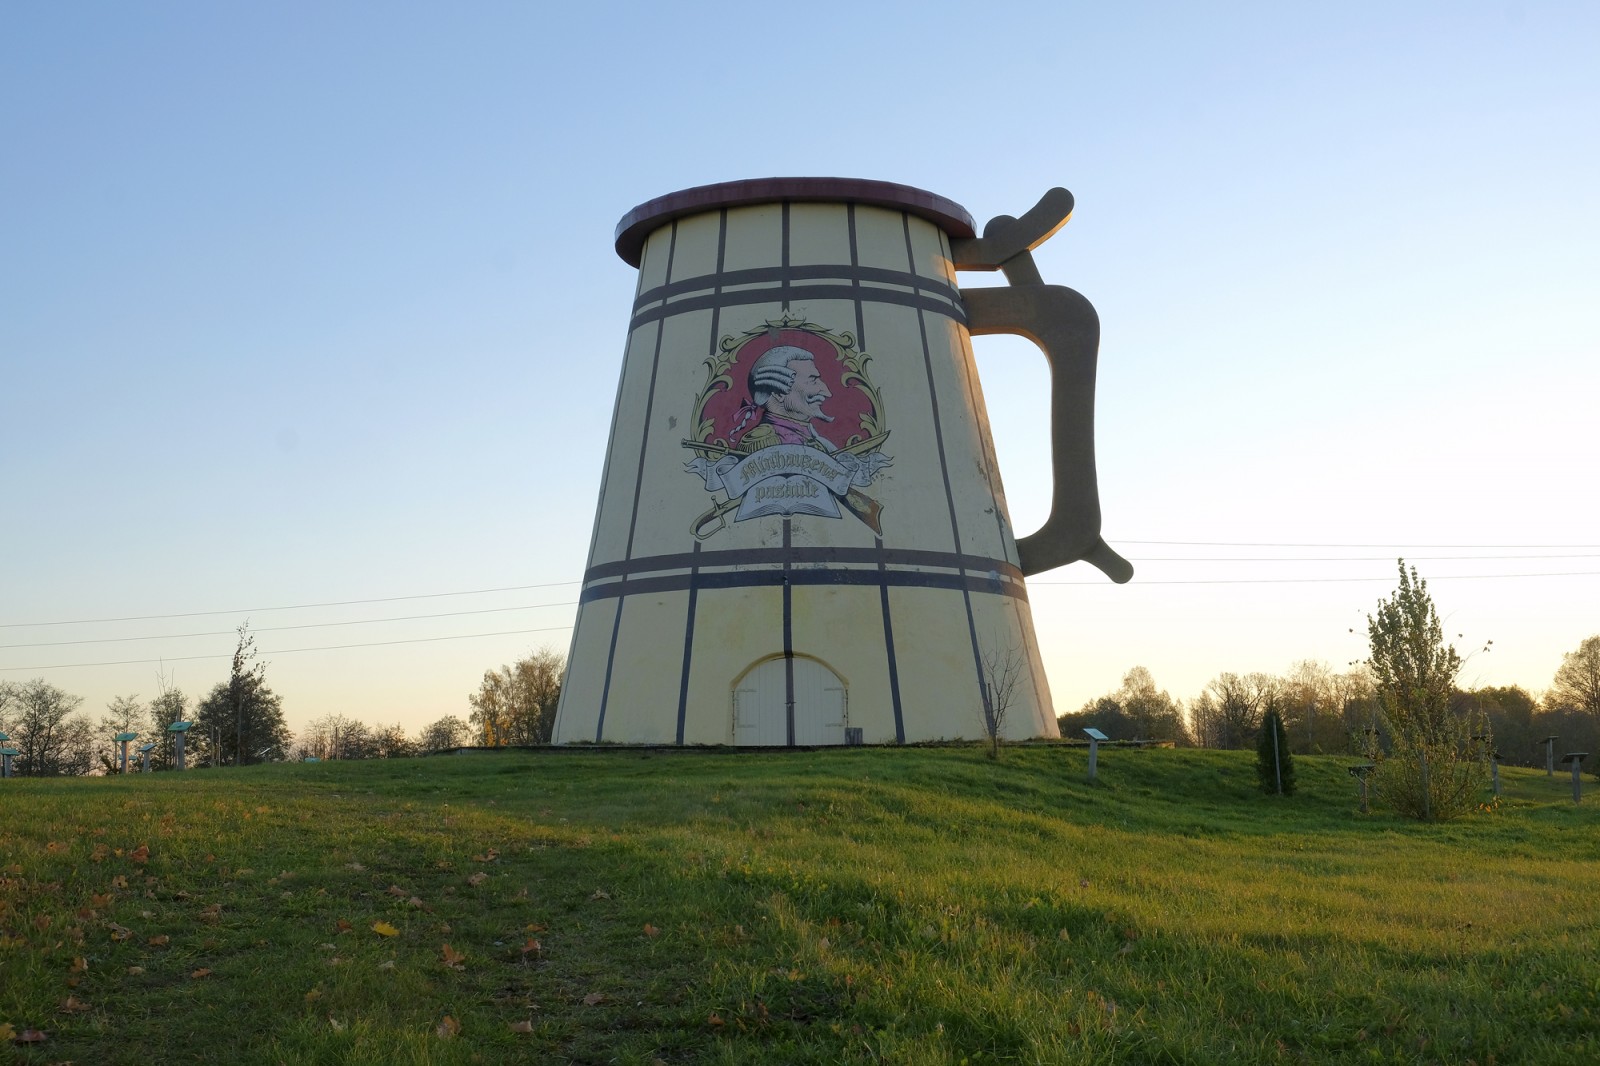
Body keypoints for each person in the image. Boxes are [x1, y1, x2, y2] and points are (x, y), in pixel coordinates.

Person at [729, 345, 835, 452]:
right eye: (813, 380)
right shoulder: (764, 442)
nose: (827, 393)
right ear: (778, 393)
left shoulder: (818, 442)